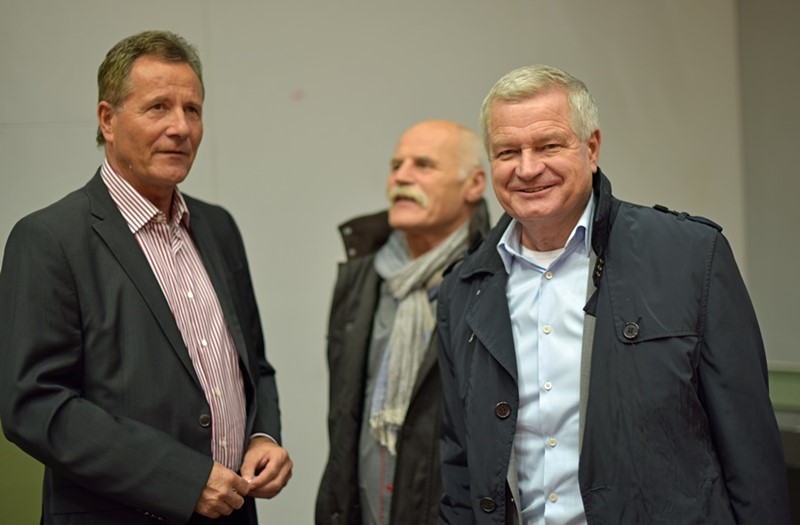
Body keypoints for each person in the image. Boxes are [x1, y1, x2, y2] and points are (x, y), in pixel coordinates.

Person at [436, 64, 791, 524]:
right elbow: (459, 470)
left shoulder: (689, 257)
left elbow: (751, 454)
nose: (527, 168)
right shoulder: (464, 289)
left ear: (591, 148)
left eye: (548, 145)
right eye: (507, 152)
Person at [0, 30, 292, 524]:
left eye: (192, 109)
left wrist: (263, 436)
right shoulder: (49, 239)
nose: (181, 127)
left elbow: (254, 367)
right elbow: (34, 404)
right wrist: (181, 479)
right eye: (158, 107)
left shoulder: (218, 226)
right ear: (107, 120)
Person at [315, 119, 489, 525]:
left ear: (474, 184)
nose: (401, 177)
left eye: (423, 165)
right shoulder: (362, 277)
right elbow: (344, 419)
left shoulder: (495, 280)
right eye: (396, 165)